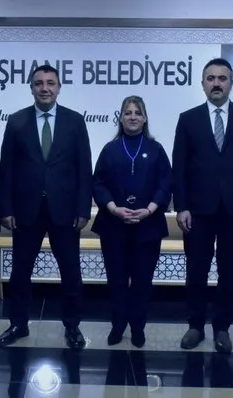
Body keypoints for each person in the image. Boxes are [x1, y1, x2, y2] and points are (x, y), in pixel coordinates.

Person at [172, 58, 233, 354]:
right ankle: (195, 326)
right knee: (196, 270)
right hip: (197, 211)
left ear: (231, 84)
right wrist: (182, 206)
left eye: (222, 78)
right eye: (211, 78)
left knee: (230, 272)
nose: (216, 83)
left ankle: (223, 329)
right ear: (203, 84)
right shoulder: (188, 119)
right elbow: (180, 167)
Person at [0, 64, 93, 350]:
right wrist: (6, 208)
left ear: (59, 87)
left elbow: (84, 168)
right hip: (26, 211)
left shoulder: (75, 121)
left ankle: (72, 326)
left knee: (71, 272)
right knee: (20, 272)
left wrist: (83, 209)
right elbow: (6, 169)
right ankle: (18, 324)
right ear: (31, 88)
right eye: (39, 83)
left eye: (50, 83)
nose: (45, 88)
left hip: (65, 211)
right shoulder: (16, 121)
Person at [90, 95, 172, 348]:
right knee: (116, 280)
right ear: (121, 118)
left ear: (145, 118)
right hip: (113, 226)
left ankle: (138, 327)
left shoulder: (156, 150)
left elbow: (165, 183)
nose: (133, 117)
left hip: (148, 226)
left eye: (137, 112)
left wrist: (149, 209)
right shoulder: (110, 149)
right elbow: (98, 183)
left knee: (142, 281)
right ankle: (117, 325)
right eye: (128, 112)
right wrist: (114, 209)